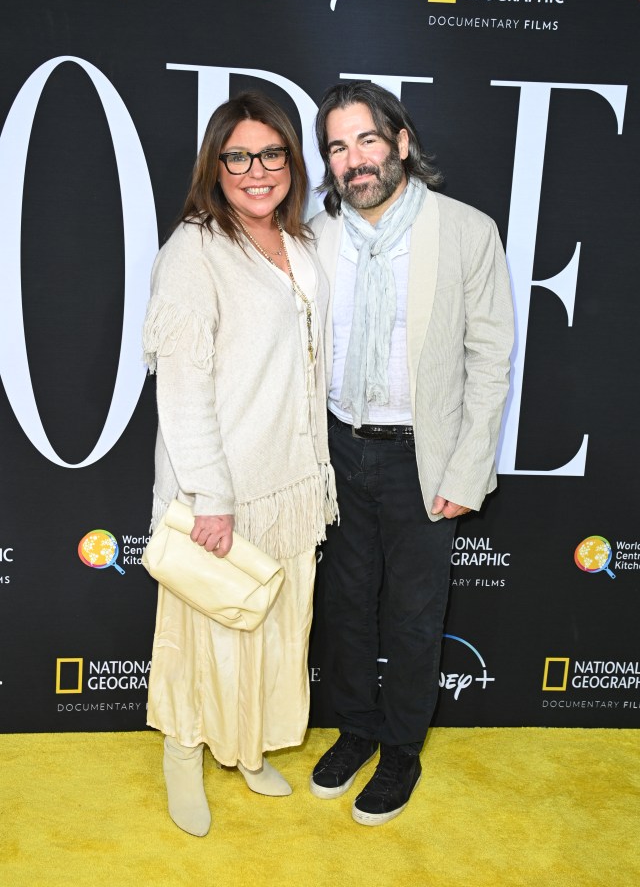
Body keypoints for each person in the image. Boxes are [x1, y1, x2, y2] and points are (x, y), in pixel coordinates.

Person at [308, 81, 514, 826]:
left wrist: (465, 469)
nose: (354, 159)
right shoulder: (316, 236)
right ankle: (356, 729)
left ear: (400, 142)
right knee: (346, 606)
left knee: (415, 615)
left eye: (366, 140)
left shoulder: (467, 232)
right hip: (335, 448)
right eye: (337, 146)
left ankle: (400, 748)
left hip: (421, 457)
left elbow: (491, 360)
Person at [142, 92, 338, 837]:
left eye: (272, 154)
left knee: (274, 626)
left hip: (291, 481)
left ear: (292, 160)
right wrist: (211, 496)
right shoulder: (195, 249)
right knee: (204, 634)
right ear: (215, 167)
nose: (257, 171)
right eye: (238, 157)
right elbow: (184, 384)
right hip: (221, 486)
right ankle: (184, 754)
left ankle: (248, 746)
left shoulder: (307, 245)